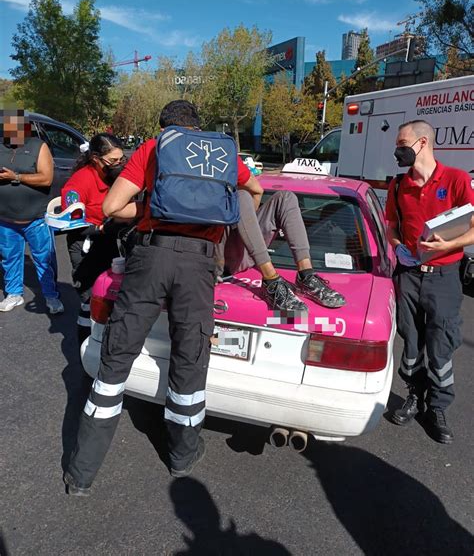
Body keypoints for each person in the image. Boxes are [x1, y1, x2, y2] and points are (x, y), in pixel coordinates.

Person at [64, 100, 254, 495]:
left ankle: (81, 474)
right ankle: (182, 457)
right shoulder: (222, 153)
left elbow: (114, 207)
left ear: (165, 126)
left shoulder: (153, 148)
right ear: (198, 125)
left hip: (151, 257)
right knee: (190, 355)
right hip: (199, 265)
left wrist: (153, 204)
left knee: (117, 358)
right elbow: (256, 188)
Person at [385, 119, 474, 443]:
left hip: (445, 277)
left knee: (440, 345)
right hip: (408, 276)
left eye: (402, 144)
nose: (397, 150)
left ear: (422, 143)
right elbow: (391, 227)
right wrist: (398, 248)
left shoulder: (456, 180)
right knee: (411, 342)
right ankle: (413, 395)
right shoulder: (398, 185)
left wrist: (448, 245)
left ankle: (436, 408)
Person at [216, 189, 346, 311]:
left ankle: (306, 275)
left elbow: (257, 190)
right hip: (214, 259)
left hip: (238, 251)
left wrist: (246, 222)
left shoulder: (229, 166)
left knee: (285, 197)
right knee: (241, 196)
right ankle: (271, 280)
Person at [61, 134, 127, 343]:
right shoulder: (80, 182)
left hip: (108, 242)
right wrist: (98, 228)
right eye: (112, 161)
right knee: (90, 300)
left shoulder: (114, 178)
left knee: (111, 292)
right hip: (86, 245)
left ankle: (106, 340)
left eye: (120, 160)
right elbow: (71, 221)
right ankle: (86, 345)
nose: (117, 165)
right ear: (95, 159)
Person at [0, 109, 63, 314]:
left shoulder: (38, 146)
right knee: (9, 258)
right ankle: (14, 294)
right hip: (6, 218)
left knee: (44, 259)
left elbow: (46, 178)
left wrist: (15, 177)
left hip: (36, 218)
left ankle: (51, 296)